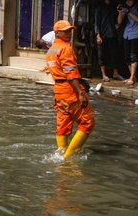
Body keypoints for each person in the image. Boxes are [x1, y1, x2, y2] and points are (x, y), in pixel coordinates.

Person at [46, 20, 95, 159]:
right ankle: (68, 157)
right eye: (65, 31)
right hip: (70, 90)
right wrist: (80, 92)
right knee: (87, 123)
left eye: (70, 30)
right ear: (57, 33)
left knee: (63, 124)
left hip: (59, 91)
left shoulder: (51, 50)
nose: (69, 33)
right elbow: (70, 72)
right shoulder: (66, 49)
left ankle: (60, 153)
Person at [118, 0, 138, 85]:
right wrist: (120, 12)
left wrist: (128, 11)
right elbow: (119, 22)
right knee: (127, 57)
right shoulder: (125, 6)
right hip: (127, 34)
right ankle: (132, 77)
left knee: (134, 55)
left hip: (136, 33)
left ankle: (131, 77)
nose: (127, 1)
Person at [95, 0, 124, 82]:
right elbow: (96, 23)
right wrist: (98, 35)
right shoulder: (99, 7)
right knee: (102, 55)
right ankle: (104, 75)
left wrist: (118, 24)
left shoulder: (114, 6)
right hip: (102, 35)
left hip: (113, 34)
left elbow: (118, 21)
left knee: (114, 54)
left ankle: (115, 73)